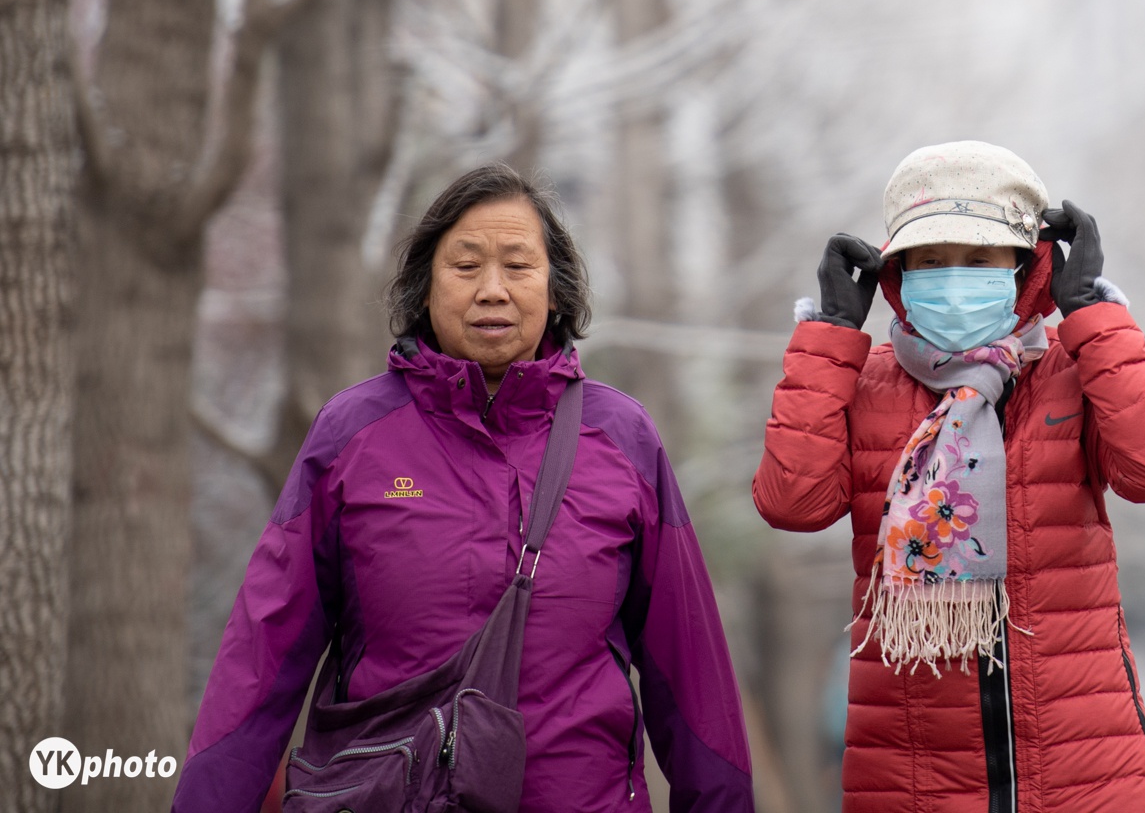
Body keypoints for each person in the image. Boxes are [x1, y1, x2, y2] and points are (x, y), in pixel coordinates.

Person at [175, 164, 754, 813]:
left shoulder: (623, 438)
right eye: (466, 265)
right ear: (424, 290)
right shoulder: (352, 434)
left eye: (518, 265)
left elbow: (693, 676)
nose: (493, 290)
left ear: (556, 292)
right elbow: (262, 659)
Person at [754, 141, 1145, 813]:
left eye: (979, 259)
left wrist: (1095, 316)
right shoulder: (863, 382)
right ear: (896, 275)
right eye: (930, 262)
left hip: (1084, 775)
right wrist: (827, 338)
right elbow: (792, 501)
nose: (953, 278)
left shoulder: (1072, 371)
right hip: (911, 778)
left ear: (1027, 268)